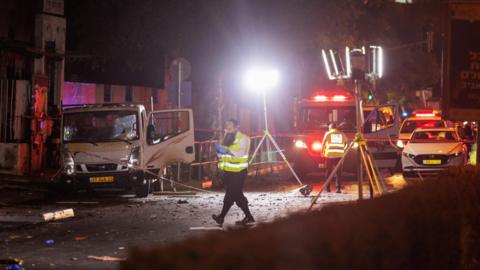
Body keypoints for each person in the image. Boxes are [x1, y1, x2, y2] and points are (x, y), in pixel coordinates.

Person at [212, 119, 254, 226]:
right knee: (236, 194)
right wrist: (219, 151)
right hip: (229, 172)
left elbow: (240, 153)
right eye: (226, 126)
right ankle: (249, 217)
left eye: (230, 127)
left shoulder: (243, 138)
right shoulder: (227, 138)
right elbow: (223, 155)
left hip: (239, 172)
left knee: (232, 194)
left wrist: (226, 151)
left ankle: (221, 217)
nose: (227, 129)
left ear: (236, 127)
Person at [321, 122, 347, 193]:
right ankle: (338, 188)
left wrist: (322, 152)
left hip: (329, 155)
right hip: (339, 155)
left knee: (328, 171)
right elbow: (346, 143)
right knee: (339, 173)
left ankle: (328, 188)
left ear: (330, 128)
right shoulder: (342, 134)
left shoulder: (328, 133)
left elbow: (323, 143)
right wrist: (343, 150)